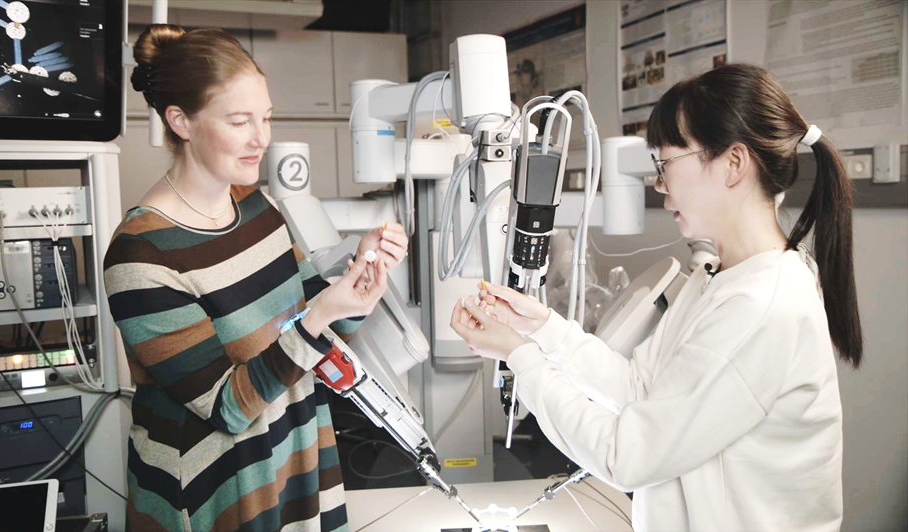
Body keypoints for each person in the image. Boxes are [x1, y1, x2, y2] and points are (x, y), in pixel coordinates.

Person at [450, 64, 861, 531]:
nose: (660, 185)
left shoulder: (763, 305)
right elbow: (639, 389)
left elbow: (627, 454)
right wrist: (542, 328)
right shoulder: (718, 276)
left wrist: (521, 358)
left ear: (733, 163)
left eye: (666, 164)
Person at [103, 25, 408, 532]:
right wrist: (324, 315)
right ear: (180, 121)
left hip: (293, 447)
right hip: (219, 487)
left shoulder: (255, 204)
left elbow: (316, 323)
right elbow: (226, 407)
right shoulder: (142, 255)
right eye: (239, 121)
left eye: (265, 118)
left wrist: (359, 278)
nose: (261, 139)